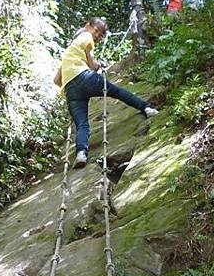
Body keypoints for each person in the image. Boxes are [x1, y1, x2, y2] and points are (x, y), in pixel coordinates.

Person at [55, 17, 158, 169]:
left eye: (100, 34)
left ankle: (81, 153)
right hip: (85, 77)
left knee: (82, 124)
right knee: (116, 91)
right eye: (96, 30)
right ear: (87, 26)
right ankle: (146, 108)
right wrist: (99, 65)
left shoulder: (68, 54)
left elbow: (57, 80)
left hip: (71, 90)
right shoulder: (85, 36)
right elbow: (92, 64)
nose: (97, 35)